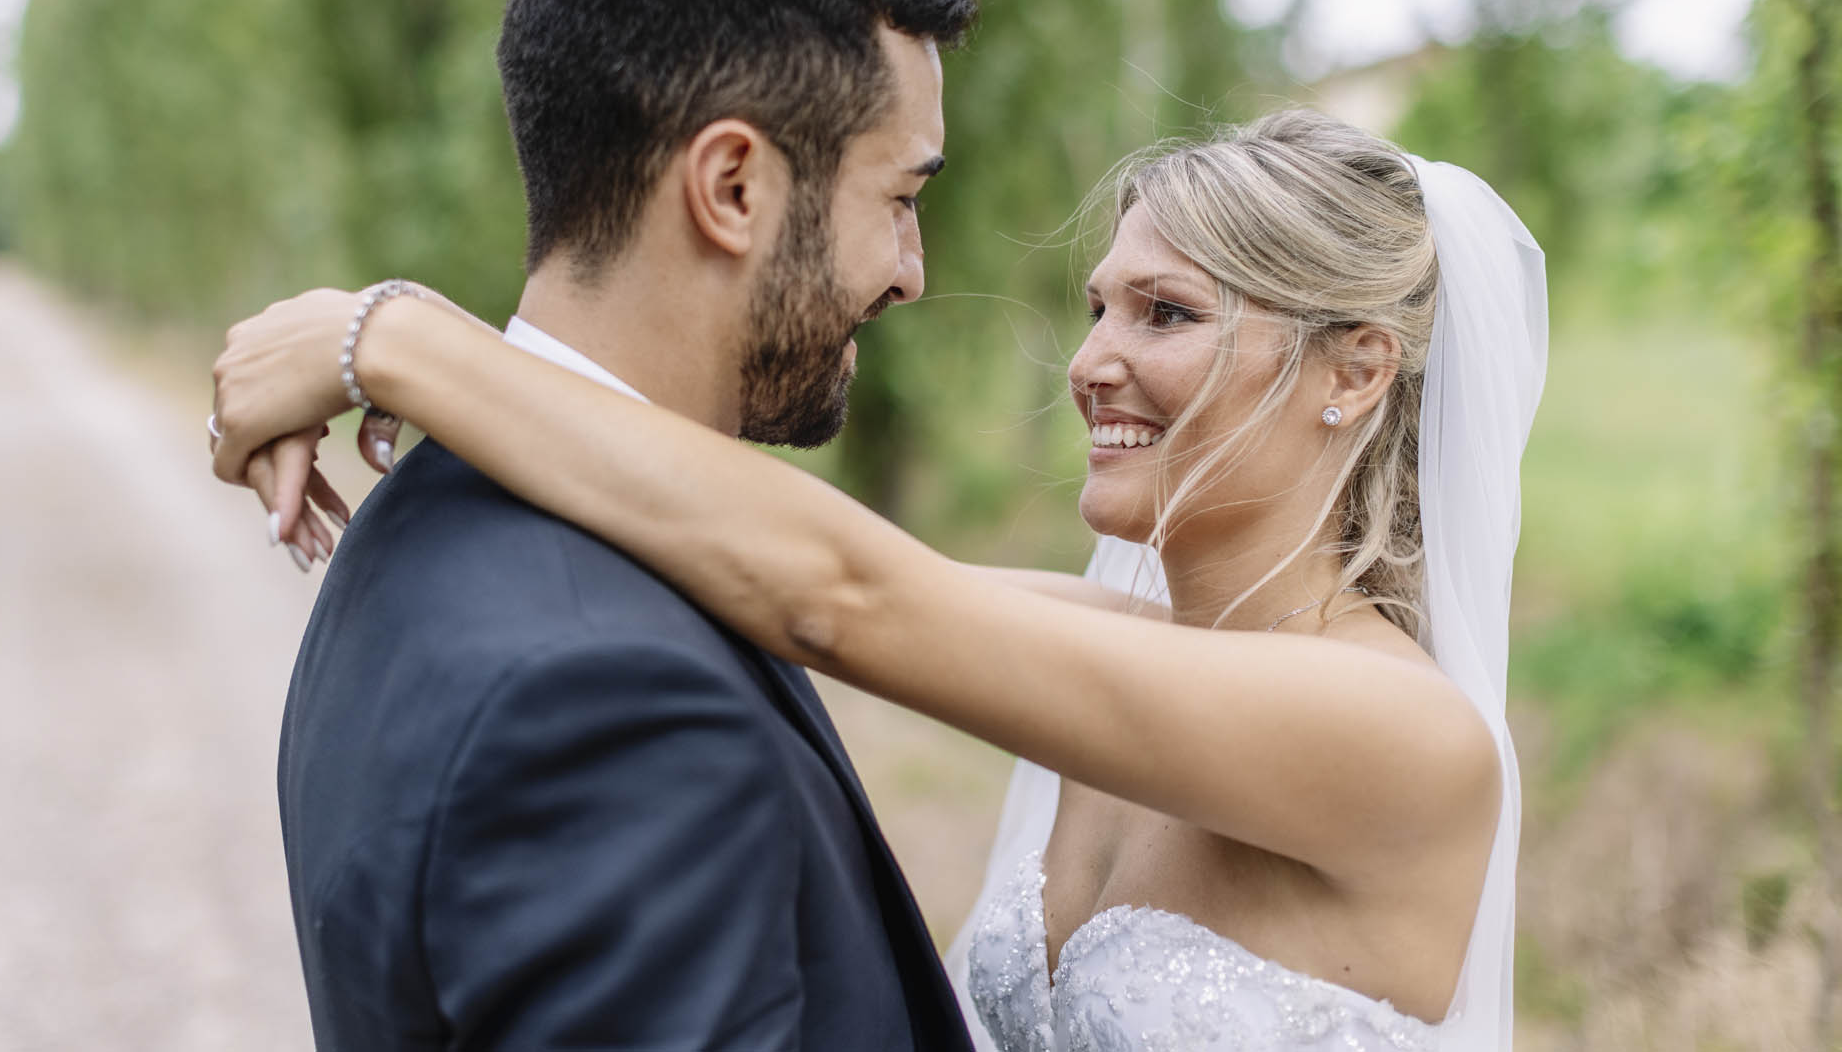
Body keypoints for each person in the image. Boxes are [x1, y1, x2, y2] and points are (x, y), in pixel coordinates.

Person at [212, 108, 1547, 1050]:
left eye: (1169, 313)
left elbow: (842, 593)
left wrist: (383, 337)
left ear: (1358, 370)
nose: (1090, 361)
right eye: (1099, 306)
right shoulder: (1115, 642)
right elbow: (744, 546)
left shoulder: (1404, 738)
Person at [222, 0, 981, 1050]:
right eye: (901, 198)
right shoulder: (613, 704)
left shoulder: (426, 513)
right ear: (731, 185)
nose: (910, 271)